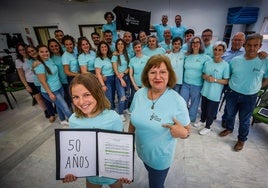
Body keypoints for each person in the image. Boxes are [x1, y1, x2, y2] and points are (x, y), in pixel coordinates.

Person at [128, 54, 190, 188]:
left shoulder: (177, 101)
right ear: (146, 75)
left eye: (162, 72)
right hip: (142, 152)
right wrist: (129, 141)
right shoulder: (139, 94)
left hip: (160, 159)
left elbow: (187, 130)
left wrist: (183, 133)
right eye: (153, 72)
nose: (157, 77)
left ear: (169, 75)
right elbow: (133, 120)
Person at [63, 73, 131, 188]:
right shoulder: (73, 120)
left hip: (112, 174)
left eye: (87, 95)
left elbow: (123, 150)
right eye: (75, 97)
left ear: (97, 93)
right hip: (91, 175)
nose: (81, 102)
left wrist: (125, 171)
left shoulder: (113, 118)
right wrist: (71, 170)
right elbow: (75, 150)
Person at [219, 33, 268, 151]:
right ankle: (229, 128)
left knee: (244, 120)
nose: (252, 48)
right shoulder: (235, 60)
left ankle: (241, 139)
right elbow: (229, 75)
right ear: (244, 45)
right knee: (230, 114)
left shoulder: (264, 61)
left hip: (250, 97)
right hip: (232, 93)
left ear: (260, 46)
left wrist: (258, 87)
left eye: (255, 45)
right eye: (249, 45)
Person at [194, 41, 230, 135]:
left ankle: (208, 126)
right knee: (203, 108)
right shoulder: (208, 63)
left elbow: (226, 81)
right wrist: (205, 77)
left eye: (220, 50)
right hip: (205, 90)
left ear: (223, 52)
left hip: (215, 93)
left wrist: (214, 80)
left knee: (210, 111)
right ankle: (202, 121)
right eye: (215, 49)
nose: (217, 52)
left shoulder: (225, 65)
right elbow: (203, 74)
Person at [33, 45, 72, 125]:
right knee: (65, 107)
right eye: (42, 52)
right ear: (38, 53)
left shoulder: (49, 60)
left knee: (59, 106)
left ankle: (62, 120)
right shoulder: (39, 65)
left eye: (46, 51)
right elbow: (43, 82)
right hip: (51, 91)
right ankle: (78, 123)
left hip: (59, 87)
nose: (45, 53)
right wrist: (50, 93)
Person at [180, 36, 212, 123]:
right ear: (190, 45)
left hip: (197, 85)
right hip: (185, 84)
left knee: (194, 103)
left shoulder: (205, 57)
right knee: (182, 101)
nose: (195, 44)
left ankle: (191, 118)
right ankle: (182, 117)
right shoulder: (187, 56)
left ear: (200, 44)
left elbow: (213, 65)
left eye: (197, 42)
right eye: (193, 42)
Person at [15, 43, 48, 118]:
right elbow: (21, 74)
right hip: (30, 81)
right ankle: (46, 111)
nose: (22, 51)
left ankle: (51, 110)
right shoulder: (19, 61)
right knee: (38, 98)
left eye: (23, 49)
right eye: (20, 50)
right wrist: (26, 85)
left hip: (41, 80)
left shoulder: (34, 57)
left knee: (46, 96)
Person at [26, 45, 56, 122]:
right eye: (29, 52)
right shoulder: (30, 61)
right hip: (38, 83)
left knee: (55, 97)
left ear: (36, 50)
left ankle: (56, 111)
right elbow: (34, 72)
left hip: (50, 81)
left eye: (32, 50)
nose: (31, 53)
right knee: (46, 100)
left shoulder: (45, 58)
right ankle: (51, 114)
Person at [48, 38, 72, 110]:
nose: (54, 47)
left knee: (71, 96)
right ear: (49, 48)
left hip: (70, 78)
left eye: (56, 45)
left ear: (59, 46)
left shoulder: (65, 54)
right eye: (52, 46)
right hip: (61, 82)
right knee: (65, 98)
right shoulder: (50, 58)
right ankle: (70, 113)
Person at [112, 39, 131, 122]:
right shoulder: (114, 56)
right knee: (122, 96)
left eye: (122, 44)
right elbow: (115, 70)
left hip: (126, 76)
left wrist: (124, 73)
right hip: (119, 78)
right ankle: (120, 113)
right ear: (116, 46)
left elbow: (129, 66)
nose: (120, 46)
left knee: (127, 94)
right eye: (118, 44)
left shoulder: (127, 55)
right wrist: (121, 79)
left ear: (124, 45)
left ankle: (125, 108)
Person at [95, 41, 116, 109]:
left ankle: (112, 110)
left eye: (105, 46)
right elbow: (98, 73)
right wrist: (103, 85)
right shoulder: (98, 59)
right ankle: (110, 113)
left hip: (114, 78)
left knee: (113, 97)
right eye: (102, 47)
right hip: (106, 80)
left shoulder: (111, 57)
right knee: (108, 99)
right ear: (99, 49)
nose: (104, 48)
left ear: (108, 48)